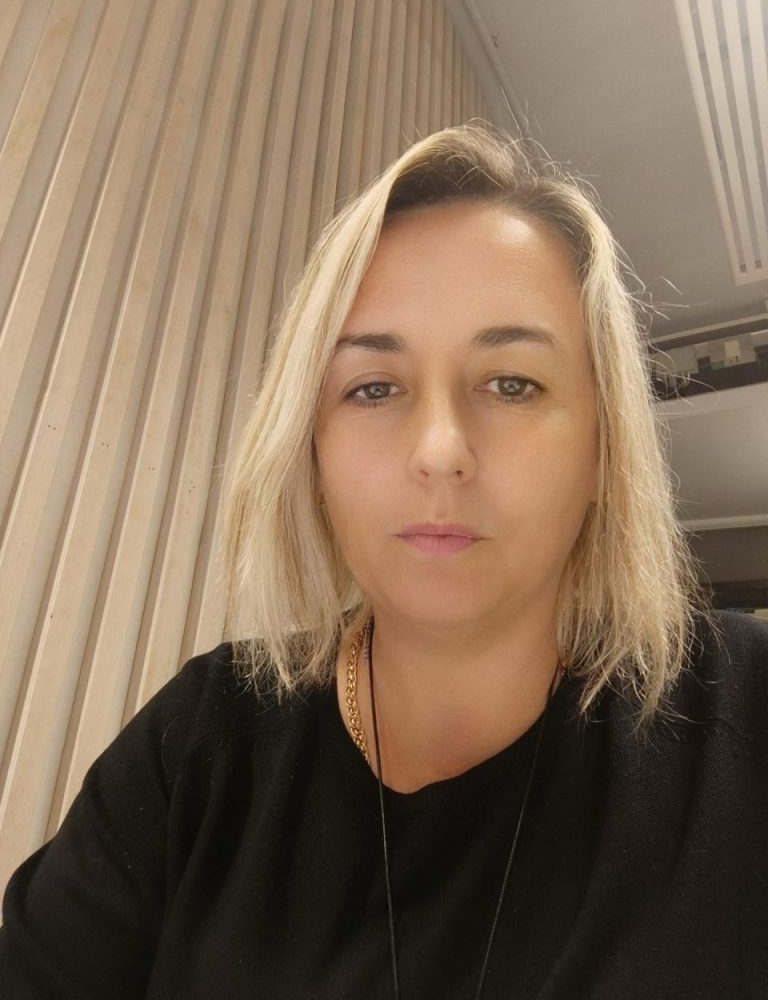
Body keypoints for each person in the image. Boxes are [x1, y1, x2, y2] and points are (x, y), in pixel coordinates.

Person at [1, 121, 766, 1000]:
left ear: (604, 449)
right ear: (312, 451)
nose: (439, 452)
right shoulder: (198, 747)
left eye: (512, 383)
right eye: (372, 387)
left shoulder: (745, 711)